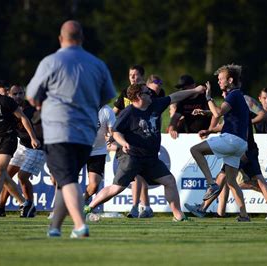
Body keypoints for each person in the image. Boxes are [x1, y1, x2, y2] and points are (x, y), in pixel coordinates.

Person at [27, 20, 116, 238]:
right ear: (82, 38)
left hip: (59, 130)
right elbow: (107, 96)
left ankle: (79, 225)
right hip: (86, 133)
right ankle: (54, 228)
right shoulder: (97, 64)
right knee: (66, 179)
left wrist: (42, 104)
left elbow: (31, 95)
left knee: (67, 179)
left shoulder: (51, 61)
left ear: (60, 38)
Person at [85, 83, 205, 221]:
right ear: (138, 96)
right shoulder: (128, 113)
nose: (151, 94)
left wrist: (194, 90)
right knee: (117, 188)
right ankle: (88, 208)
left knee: (169, 181)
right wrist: (124, 143)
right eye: (147, 92)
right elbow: (116, 132)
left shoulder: (155, 105)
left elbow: (175, 97)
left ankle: (178, 216)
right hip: (132, 157)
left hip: (150, 158)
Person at [185, 92, 267, 220]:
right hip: (246, 147)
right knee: (236, 180)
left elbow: (262, 114)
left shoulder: (242, 98)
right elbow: (226, 122)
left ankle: (203, 208)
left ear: (230, 80)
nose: (221, 91)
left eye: (221, 79)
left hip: (245, 148)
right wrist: (207, 120)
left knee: (225, 177)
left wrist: (247, 121)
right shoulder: (234, 103)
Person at [189, 64, 250, 221]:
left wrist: (208, 97)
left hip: (231, 139)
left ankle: (212, 184)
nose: (218, 82)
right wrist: (205, 112)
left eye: (221, 79)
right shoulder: (237, 95)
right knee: (231, 182)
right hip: (240, 143)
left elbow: (218, 113)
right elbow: (223, 113)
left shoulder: (233, 95)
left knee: (195, 150)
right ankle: (244, 215)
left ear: (230, 80)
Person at [0, 75, 40, 218]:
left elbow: (23, 117)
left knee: (0, 170)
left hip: (8, 138)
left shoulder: (5, 101)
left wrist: (33, 137)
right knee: (3, 176)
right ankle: (24, 203)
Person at [0, 85, 44, 217]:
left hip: (37, 147)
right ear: (10, 95)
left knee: (22, 177)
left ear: (24, 94)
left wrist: (34, 127)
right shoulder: (8, 108)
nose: (18, 96)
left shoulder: (32, 109)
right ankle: (0, 208)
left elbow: (41, 130)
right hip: (22, 146)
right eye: (15, 94)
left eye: (20, 93)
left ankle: (29, 207)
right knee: (6, 175)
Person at [112, 65, 153, 218]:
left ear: (142, 76)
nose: (133, 78)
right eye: (130, 75)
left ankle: (142, 206)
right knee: (137, 176)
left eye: (136, 75)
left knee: (139, 175)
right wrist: (111, 131)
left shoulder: (149, 94)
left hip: (144, 139)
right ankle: (140, 207)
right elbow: (114, 113)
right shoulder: (125, 93)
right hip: (128, 139)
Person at [84, 105, 116, 205]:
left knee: (93, 186)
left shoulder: (107, 110)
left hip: (98, 151)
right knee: (67, 181)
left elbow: (112, 132)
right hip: (78, 149)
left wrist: (111, 138)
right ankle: (58, 209)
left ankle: (82, 201)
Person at [168, 75, 216, 139]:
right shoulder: (182, 100)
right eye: (181, 89)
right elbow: (175, 118)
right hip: (190, 135)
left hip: (205, 134)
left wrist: (204, 112)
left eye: (184, 88)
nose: (183, 91)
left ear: (193, 86)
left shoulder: (205, 97)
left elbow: (215, 113)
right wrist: (172, 130)